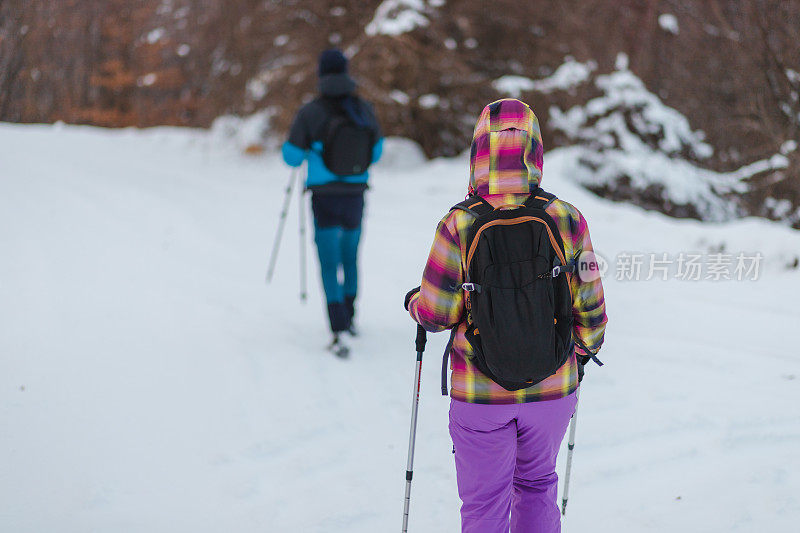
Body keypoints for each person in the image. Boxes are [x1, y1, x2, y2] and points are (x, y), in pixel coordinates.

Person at [404, 98, 607, 532]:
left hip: (480, 394)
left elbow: (437, 314)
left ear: (478, 151)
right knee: (536, 487)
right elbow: (589, 298)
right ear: (535, 149)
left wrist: (413, 303)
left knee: (484, 507)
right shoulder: (567, 218)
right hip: (553, 386)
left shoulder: (458, 224)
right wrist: (586, 349)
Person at [282, 49, 383, 354]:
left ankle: (337, 326)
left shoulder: (311, 111)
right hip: (355, 195)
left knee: (329, 261)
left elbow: (290, 157)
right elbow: (376, 153)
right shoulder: (362, 108)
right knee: (350, 256)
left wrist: (313, 148)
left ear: (321, 74)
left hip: (324, 197)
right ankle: (351, 318)